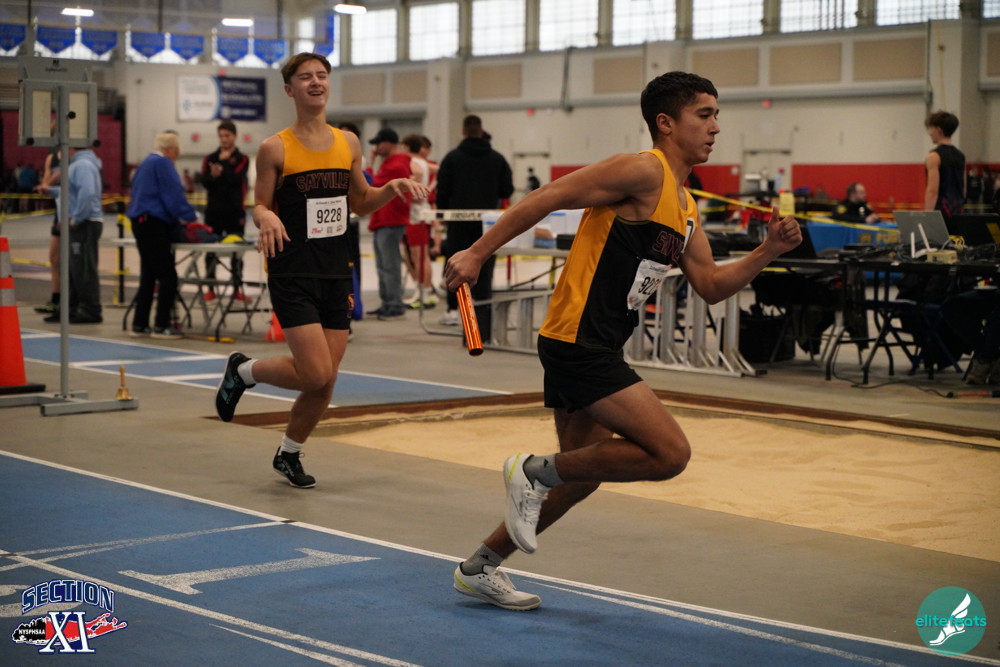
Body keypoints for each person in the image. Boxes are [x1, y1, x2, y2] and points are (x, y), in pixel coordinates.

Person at [443, 71, 802, 611]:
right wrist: (477, 252)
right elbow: (548, 196)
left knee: (581, 473)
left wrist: (767, 250)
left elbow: (710, 285)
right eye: (704, 115)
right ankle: (532, 470)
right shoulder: (641, 170)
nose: (715, 127)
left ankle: (480, 567)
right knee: (669, 453)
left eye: (716, 116)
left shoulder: (684, 205)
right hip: (577, 340)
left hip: (601, 342)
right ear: (666, 122)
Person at [213, 53, 428, 488]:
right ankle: (244, 370)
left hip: (336, 270)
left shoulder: (347, 142)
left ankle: (289, 454)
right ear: (290, 89)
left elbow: (360, 202)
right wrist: (265, 217)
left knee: (326, 380)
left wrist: (390, 188)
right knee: (314, 373)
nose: (316, 82)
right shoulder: (275, 147)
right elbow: (259, 204)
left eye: (322, 75)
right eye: (305, 77)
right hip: (292, 270)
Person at [436, 115, 514, 331]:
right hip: (487, 223)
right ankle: (481, 311)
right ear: (481, 131)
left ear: (463, 131)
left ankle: (454, 310)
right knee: (484, 263)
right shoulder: (498, 159)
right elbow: (507, 190)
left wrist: (444, 214)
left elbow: (442, 190)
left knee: (455, 263)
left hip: (457, 221)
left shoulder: (452, 158)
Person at [127, 132, 199, 339]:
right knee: (168, 277)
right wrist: (191, 215)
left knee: (149, 275)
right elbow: (173, 195)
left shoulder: (145, 164)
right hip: (154, 224)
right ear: (171, 150)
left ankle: (140, 324)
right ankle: (161, 325)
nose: (175, 159)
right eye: (176, 154)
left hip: (140, 222)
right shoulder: (163, 163)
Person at [39, 147, 104, 324]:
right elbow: (71, 192)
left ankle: (90, 309)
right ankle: (71, 308)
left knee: (83, 268)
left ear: (71, 148)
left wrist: (76, 219)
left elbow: (87, 193)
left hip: (84, 224)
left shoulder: (82, 165)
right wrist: (51, 191)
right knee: (72, 269)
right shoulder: (75, 165)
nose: (58, 155)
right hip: (77, 223)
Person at [364, 127, 412, 320]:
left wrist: (370, 164)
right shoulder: (390, 164)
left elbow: (369, 184)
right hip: (383, 220)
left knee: (389, 265)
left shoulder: (396, 165)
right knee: (383, 265)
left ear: (388, 143)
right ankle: (388, 302)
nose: (376, 147)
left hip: (391, 220)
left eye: (379, 143)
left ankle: (394, 304)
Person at [201, 119, 250, 302]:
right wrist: (214, 176)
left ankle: (237, 289)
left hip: (234, 212)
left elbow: (236, 179)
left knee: (237, 251)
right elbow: (205, 182)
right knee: (210, 251)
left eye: (227, 136)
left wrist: (222, 169)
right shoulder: (209, 159)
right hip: (213, 212)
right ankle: (210, 289)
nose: (223, 139)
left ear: (234, 136)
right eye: (221, 136)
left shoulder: (242, 159)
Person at [400, 133, 440, 309]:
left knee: (419, 256)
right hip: (422, 211)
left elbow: (416, 175)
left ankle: (424, 292)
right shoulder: (424, 163)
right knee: (422, 256)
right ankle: (426, 291)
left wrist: (408, 185)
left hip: (416, 214)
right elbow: (439, 170)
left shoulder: (413, 163)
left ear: (407, 147)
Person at [33, 148, 62, 315]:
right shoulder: (52, 158)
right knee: (54, 257)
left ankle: (71, 301)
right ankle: (56, 299)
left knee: (69, 260)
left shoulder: (74, 156)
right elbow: (47, 180)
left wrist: (48, 183)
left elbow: (61, 174)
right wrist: (45, 184)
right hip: (59, 211)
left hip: (72, 211)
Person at [924, 111, 965, 222]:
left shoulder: (934, 156)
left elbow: (932, 190)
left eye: (931, 129)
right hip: (958, 212)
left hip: (941, 212)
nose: (930, 133)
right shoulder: (960, 156)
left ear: (939, 130)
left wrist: (927, 216)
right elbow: (963, 188)